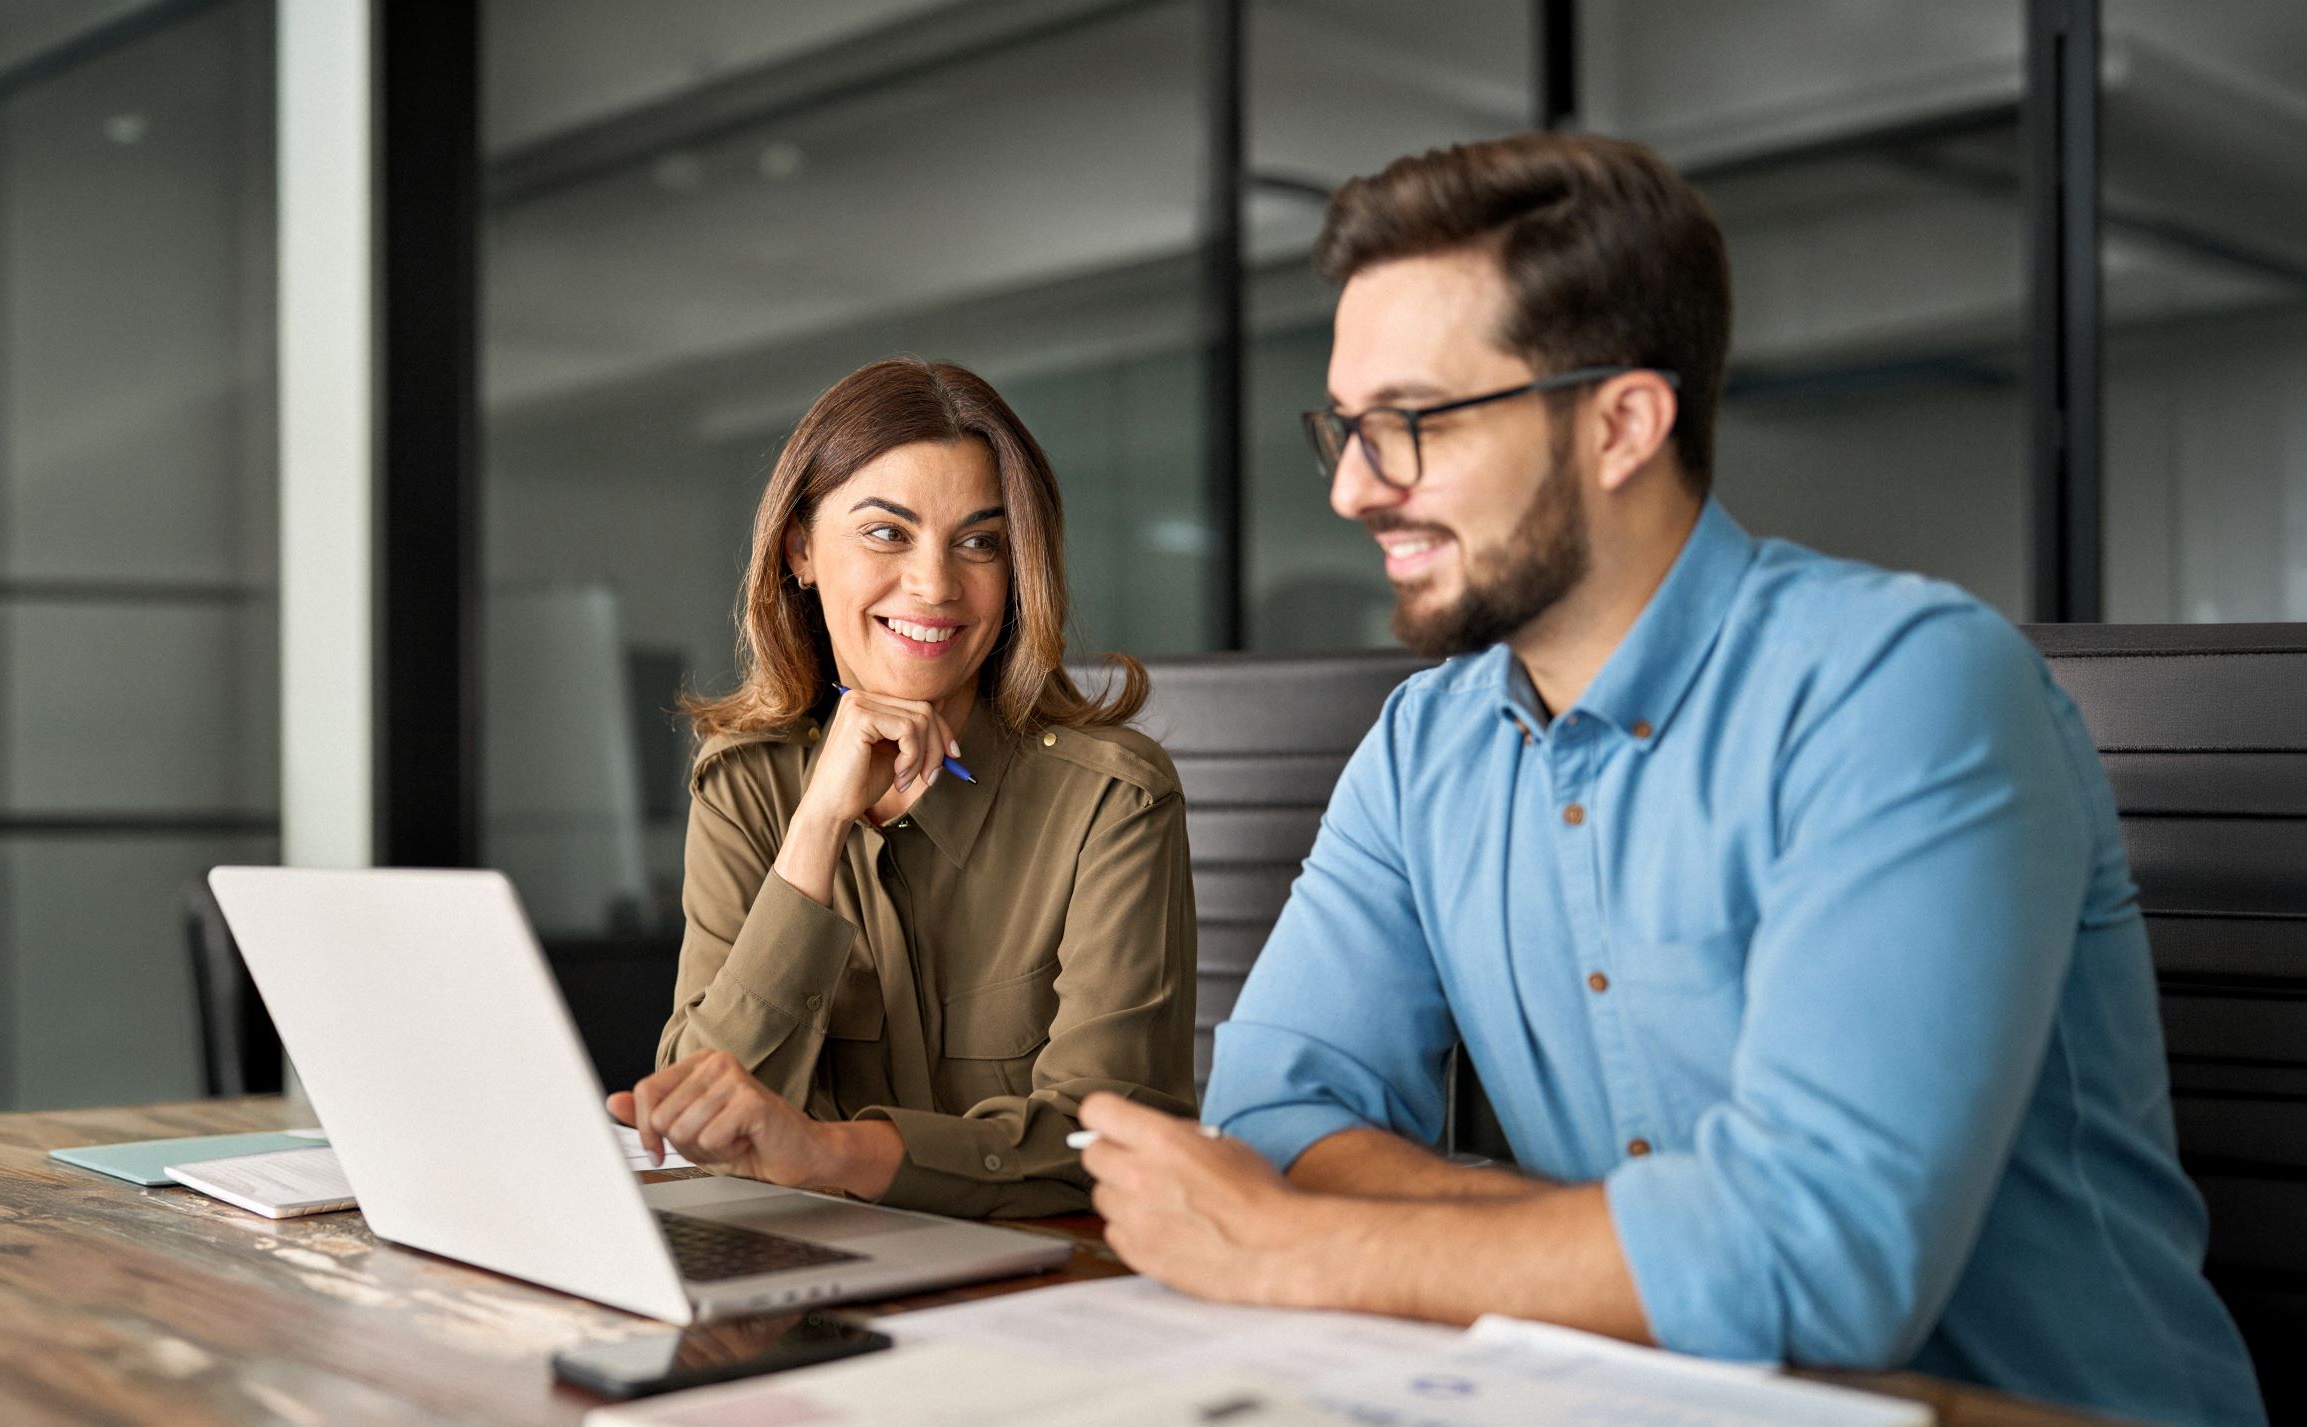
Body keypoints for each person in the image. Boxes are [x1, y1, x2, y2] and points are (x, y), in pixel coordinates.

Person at [1074, 133, 2264, 1426]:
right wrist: (1647, 1246)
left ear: (1621, 422)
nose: (1358, 487)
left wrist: (1306, 1245)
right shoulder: (1426, 743)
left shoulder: (1906, 685)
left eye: (1409, 422)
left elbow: (1818, 1267)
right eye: (1346, 429)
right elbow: (1270, 1112)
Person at [607, 356, 1197, 1218]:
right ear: (800, 549)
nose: (933, 584)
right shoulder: (745, 783)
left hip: (1046, 1280)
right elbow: (704, 1114)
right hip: (804, 1267)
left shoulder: (1110, 800)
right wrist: (817, 827)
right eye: (887, 532)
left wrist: (827, 1151)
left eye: (980, 542)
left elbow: (1100, 1138)